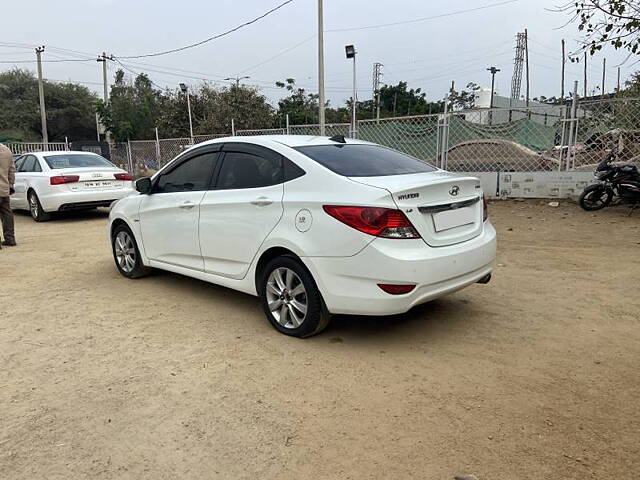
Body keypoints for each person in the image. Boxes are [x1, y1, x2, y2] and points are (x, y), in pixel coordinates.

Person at [0, 143, 16, 248]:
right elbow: (11, 170)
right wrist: (10, 185)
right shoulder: (6, 150)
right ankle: (10, 238)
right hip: (4, 188)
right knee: (7, 213)